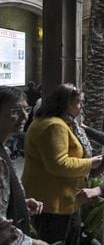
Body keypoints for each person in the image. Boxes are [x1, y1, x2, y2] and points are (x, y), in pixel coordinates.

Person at [22, 84, 103, 244]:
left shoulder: (56, 122)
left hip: (59, 198)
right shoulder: (54, 126)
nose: (81, 107)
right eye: (79, 102)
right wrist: (89, 164)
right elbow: (59, 164)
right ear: (66, 103)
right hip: (54, 202)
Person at [0, 86, 47, 245]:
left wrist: (18, 202)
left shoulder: (4, 149)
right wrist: (31, 242)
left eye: (26, 109)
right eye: (15, 111)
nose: (24, 116)